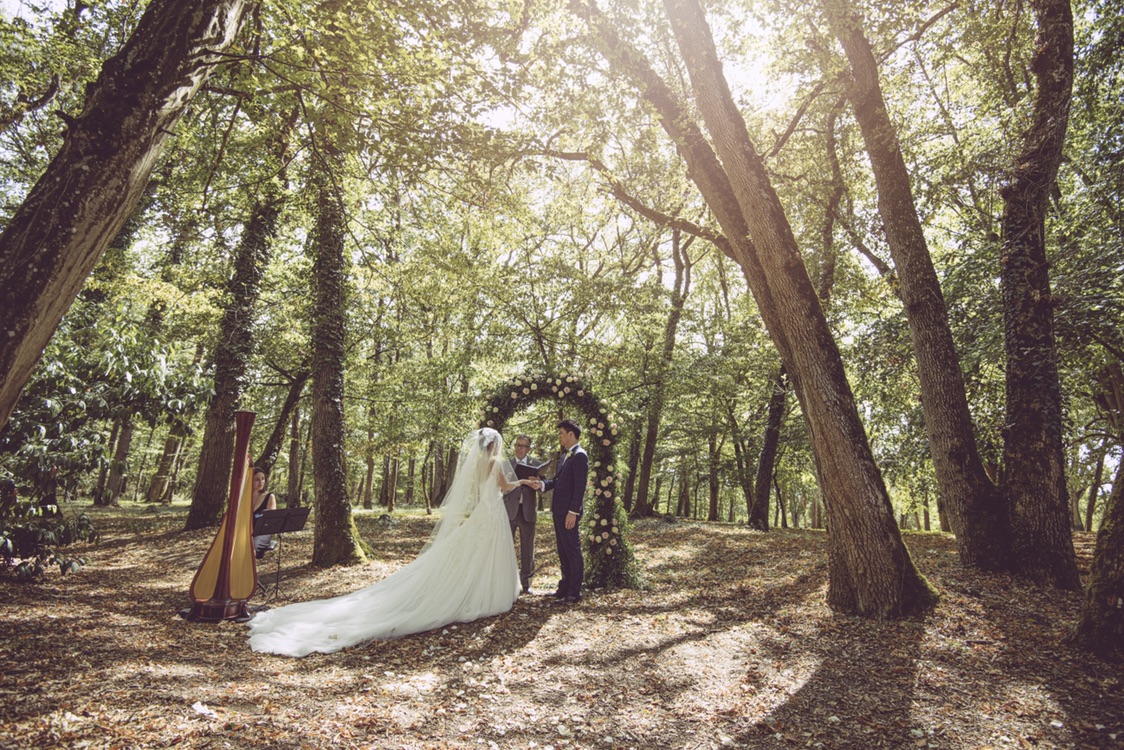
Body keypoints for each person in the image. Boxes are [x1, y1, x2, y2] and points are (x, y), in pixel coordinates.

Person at [246, 428, 535, 657]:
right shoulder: (496, 462)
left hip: (483, 512)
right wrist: (522, 483)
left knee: (477, 552)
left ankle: (480, 588)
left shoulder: (477, 465)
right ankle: (486, 593)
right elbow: (504, 486)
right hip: (492, 512)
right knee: (487, 552)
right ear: (494, 445)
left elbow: (479, 489)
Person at [530, 419, 588, 605]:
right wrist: (541, 484)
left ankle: (574, 593)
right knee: (563, 551)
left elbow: (580, 488)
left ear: (571, 434)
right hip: (558, 511)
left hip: (568, 513)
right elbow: (556, 481)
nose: (560, 437)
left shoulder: (580, 456)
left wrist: (573, 512)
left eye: (562, 433)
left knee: (572, 550)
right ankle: (563, 588)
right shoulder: (565, 456)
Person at [504, 434, 539, 594]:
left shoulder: (536, 464)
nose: (519, 448)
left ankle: (527, 583)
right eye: (517, 445)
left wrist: (537, 483)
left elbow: (544, 487)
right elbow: (500, 487)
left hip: (527, 510)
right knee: (505, 547)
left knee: (528, 548)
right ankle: (506, 581)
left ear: (529, 449)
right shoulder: (506, 464)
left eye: (523, 446)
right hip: (508, 510)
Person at [251, 468, 278, 559]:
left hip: (262, 533)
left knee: (251, 551)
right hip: (245, 531)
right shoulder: (243, 498)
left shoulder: (269, 497)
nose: (261, 482)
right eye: (257, 479)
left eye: (263, 479)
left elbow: (271, 522)